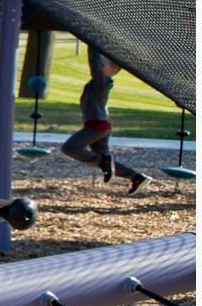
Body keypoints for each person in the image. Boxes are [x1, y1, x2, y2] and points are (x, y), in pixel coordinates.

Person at [61, 45, 147, 194]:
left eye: (103, 63)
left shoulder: (102, 82)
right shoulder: (99, 83)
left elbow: (94, 63)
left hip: (97, 127)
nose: (100, 64)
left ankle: (105, 161)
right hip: (100, 125)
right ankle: (136, 177)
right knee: (105, 162)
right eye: (101, 62)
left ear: (112, 70)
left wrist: (90, 42)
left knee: (69, 148)